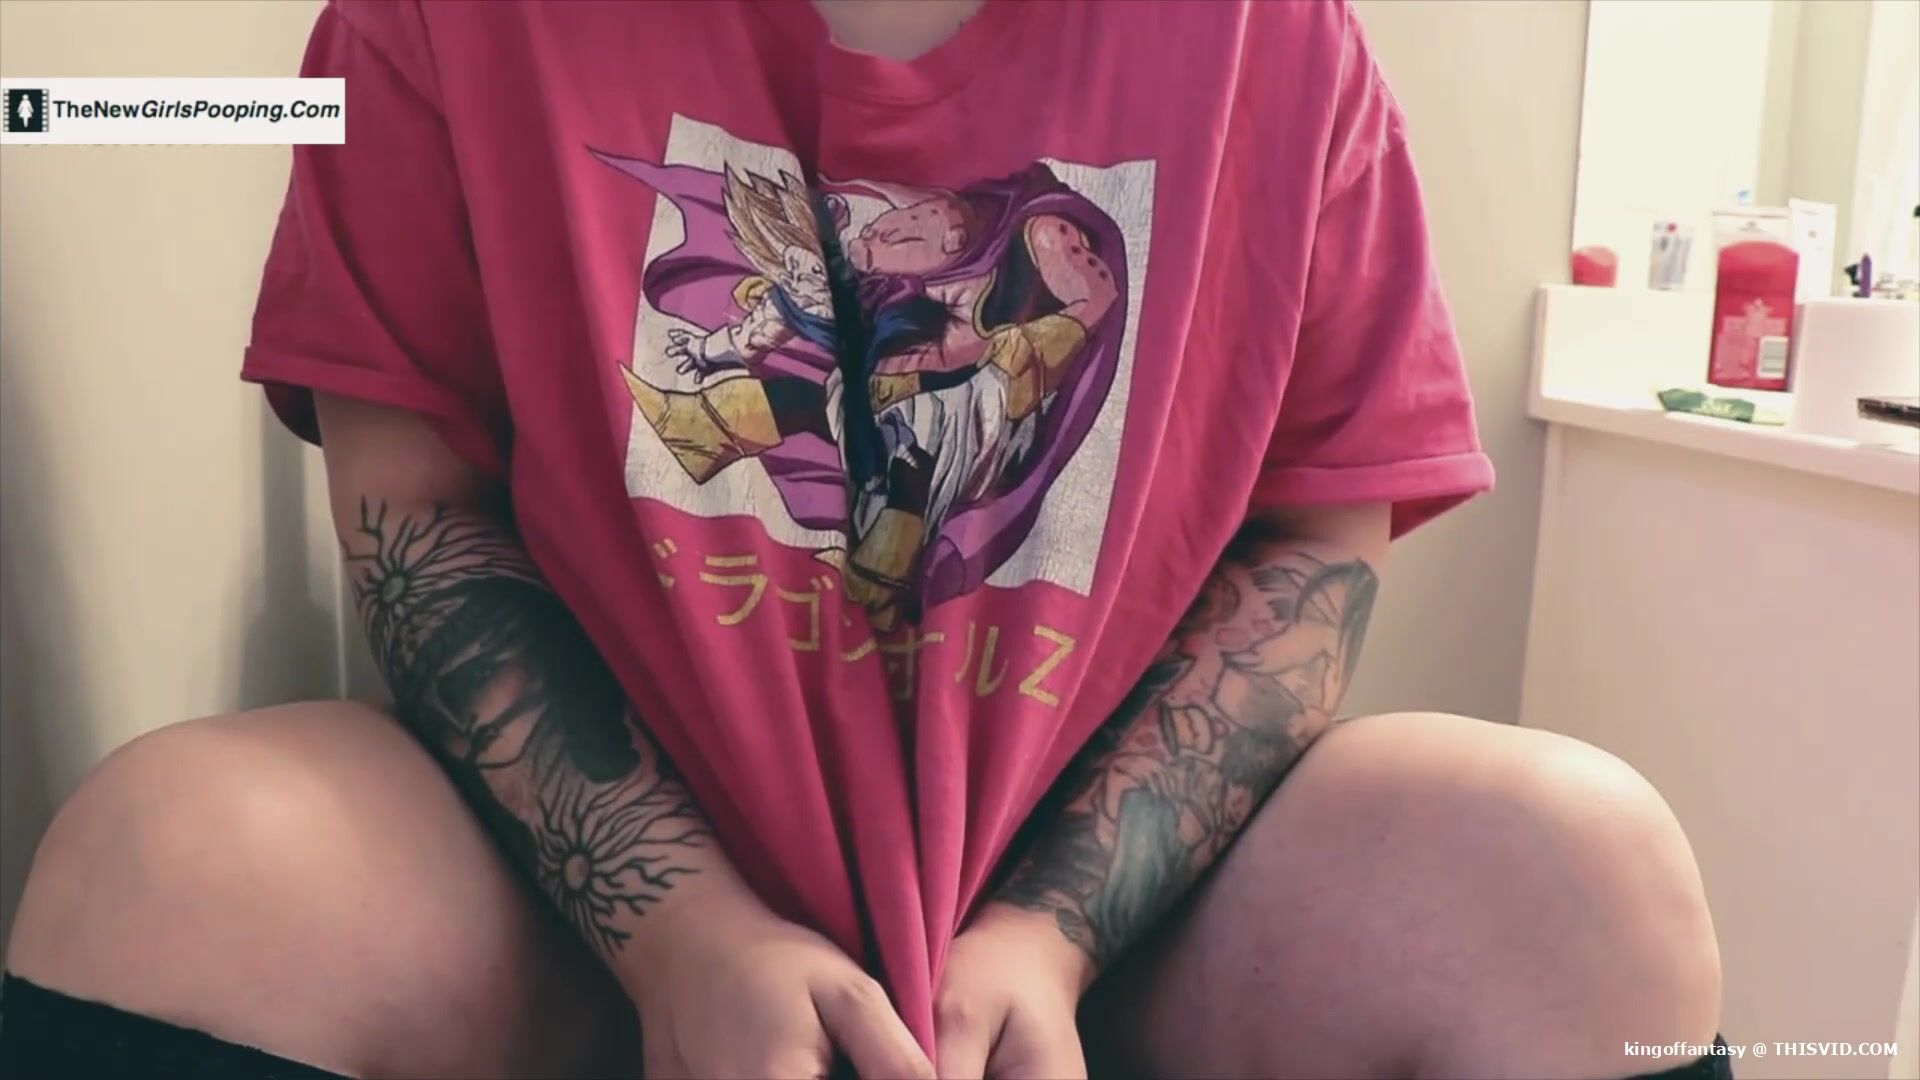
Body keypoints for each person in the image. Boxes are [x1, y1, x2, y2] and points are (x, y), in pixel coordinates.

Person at [0, 2, 1731, 1078]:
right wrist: (681, 936)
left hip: (1109, 936)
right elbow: (413, 512)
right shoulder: (436, 21)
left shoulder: (1283, 45)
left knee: (1574, 870)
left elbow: (1313, 544)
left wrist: (1050, 937)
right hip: (580, 922)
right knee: (175, 862)